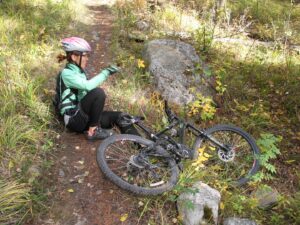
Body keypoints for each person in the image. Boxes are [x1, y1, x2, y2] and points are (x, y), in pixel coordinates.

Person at [56, 37, 139, 140]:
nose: (87, 59)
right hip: (73, 119)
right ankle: (93, 131)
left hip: (83, 116)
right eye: (85, 55)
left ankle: (144, 146)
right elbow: (88, 86)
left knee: (121, 117)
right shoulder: (66, 73)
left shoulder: (79, 72)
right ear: (74, 56)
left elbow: (85, 95)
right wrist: (106, 72)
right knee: (98, 93)